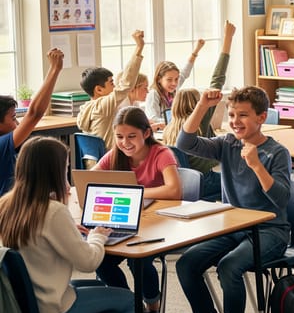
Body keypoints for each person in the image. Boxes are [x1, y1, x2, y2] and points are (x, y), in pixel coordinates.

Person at [0, 137, 156, 313]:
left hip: (22, 308)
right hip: (50, 308)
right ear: (54, 171)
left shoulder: (6, 205)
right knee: (128, 301)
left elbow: (37, 243)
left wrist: (71, 231)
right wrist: (98, 235)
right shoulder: (52, 211)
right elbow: (89, 261)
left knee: (92, 289)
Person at [174, 86, 291, 313]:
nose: (236, 121)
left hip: (270, 230)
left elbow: (281, 198)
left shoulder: (277, 152)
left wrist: (256, 166)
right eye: (231, 115)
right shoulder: (227, 144)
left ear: (261, 117)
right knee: (187, 262)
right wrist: (203, 104)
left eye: (243, 115)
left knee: (229, 266)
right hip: (234, 226)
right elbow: (184, 142)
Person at [93, 106, 181, 313]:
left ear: (146, 132)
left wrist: (135, 193)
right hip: (126, 223)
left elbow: (174, 189)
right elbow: (90, 179)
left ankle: (152, 307)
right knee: (99, 258)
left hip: (162, 225)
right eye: (119, 137)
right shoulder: (114, 155)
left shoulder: (161, 153)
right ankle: (131, 306)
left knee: (137, 258)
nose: (125, 142)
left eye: (131, 136)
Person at [162, 20, 236, 201]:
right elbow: (217, 79)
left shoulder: (169, 127)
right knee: (237, 182)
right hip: (203, 180)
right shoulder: (199, 121)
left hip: (181, 184)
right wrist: (227, 40)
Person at [0, 48, 64, 194]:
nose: (17, 124)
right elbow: (34, 114)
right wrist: (54, 69)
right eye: (13, 118)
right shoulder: (2, 145)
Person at [77, 30, 145, 150]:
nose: (114, 87)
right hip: (110, 162)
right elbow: (126, 84)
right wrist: (139, 48)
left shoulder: (85, 108)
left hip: (93, 164)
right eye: (111, 83)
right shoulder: (103, 105)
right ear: (98, 89)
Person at [144, 36, 206, 128]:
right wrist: (178, 120)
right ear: (159, 79)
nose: (174, 83)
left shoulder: (172, 88)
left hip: (173, 128)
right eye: (169, 80)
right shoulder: (153, 94)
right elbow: (153, 119)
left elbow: (185, 72)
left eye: (176, 79)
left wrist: (196, 50)